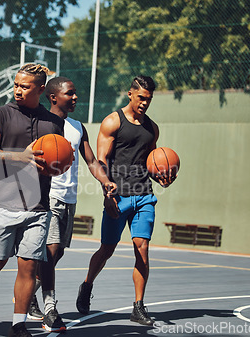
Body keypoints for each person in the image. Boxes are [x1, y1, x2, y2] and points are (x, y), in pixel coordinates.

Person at [0, 63, 64, 337]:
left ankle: (18, 325)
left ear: (41, 89)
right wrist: (21, 156)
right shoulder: (0, 114)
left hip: (38, 207)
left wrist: (58, 164)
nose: (17, 90)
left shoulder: (54, 122)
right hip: (2, 203)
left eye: (25, 86)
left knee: (29, 266)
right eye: (16, 84)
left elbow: (59, 158)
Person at [75, 75, 175, 326]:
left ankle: (138, 306)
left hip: (144, 196)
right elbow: (101, 161)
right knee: (107, 249)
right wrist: (107, 195)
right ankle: (87, 285)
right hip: (118, 196)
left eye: (149, 99)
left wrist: (162, 176)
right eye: (141, 98)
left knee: (142, 249)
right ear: (130, 94)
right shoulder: (112, 122)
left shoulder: (152, 128)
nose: (144, 103)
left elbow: (152, 160)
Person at [32, 77, 117, 332]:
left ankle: (27, 290)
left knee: (57, 253)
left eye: (76, 93)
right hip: (49, 195)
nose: (75, 97)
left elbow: (92, 161)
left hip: (70, 198)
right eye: (70, 93)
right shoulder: (41, 122)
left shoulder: (78, 127)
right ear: (53, 97)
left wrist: (105, 181)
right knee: (52, 250)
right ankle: (50, 308)